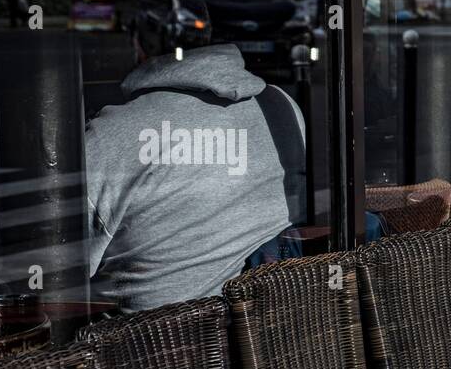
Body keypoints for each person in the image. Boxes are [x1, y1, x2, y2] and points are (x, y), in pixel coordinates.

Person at [85, 43, 302, 312]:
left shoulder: (110, 135)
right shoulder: (280, 106)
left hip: (149, 344)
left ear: (141, 48)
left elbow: (59, 270)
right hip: (272, 330)